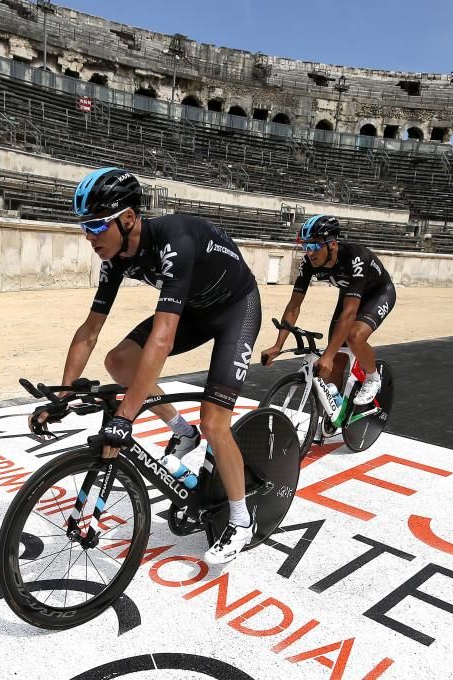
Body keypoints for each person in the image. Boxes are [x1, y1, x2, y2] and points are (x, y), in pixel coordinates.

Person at [31, 167, 262, 565]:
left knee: (215, 423)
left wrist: (126, 414)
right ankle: (181, 431)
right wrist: (64, 394)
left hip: (235, 310)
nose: (89, 237)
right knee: (119, 361)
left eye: (97, 226)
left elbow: (163, 338)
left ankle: (242, 520)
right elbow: (90, 330)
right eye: (84, 227)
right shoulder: (115, 257)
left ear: (128, 218)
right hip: (196, 308)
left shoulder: (176, 241)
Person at [261, 215, 394, 405]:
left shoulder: (356, 257)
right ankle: (335, 416)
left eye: (314, 245)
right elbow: (294, 305)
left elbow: (349, 313)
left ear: (332, 244)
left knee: (353, 337)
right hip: (349, 294)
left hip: (377, 294)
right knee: (334, 364)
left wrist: (328, 355)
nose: (309, 252)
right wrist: (278, 345)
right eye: (305, 246)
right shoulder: (308, 263)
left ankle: (373, 378)